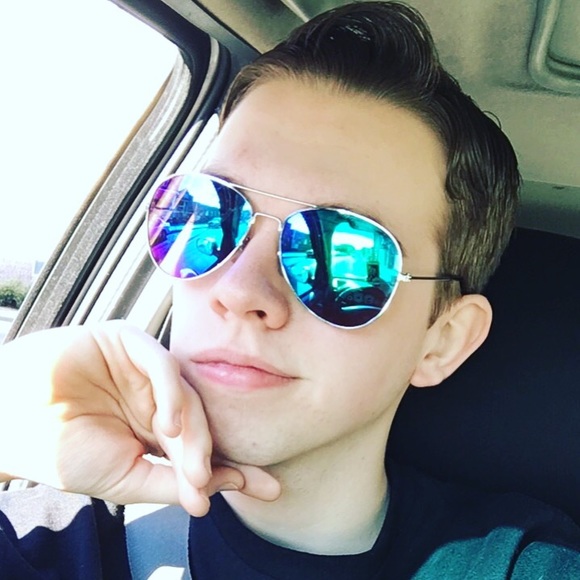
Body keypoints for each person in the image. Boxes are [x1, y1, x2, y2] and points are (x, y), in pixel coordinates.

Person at [1, 2, 580, 578]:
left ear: (442, 341)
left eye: (340, 255)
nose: (239, 290)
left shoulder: (520, 564)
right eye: (207, 216)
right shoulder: (46, 538)